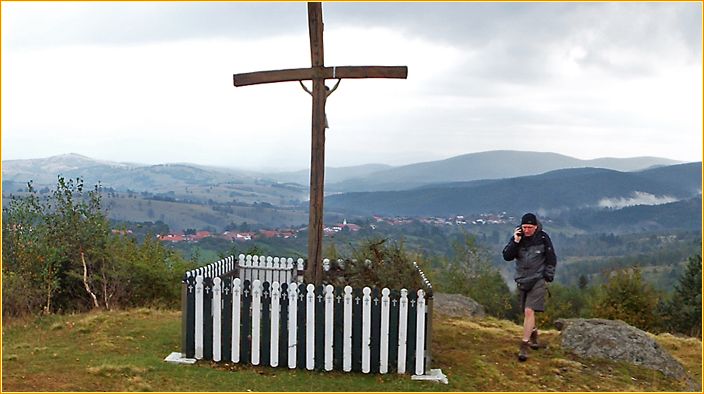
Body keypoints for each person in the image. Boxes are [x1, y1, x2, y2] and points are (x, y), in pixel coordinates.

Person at [502, 212, 557, 362]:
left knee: (528, 311)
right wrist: (515, 241)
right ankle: (533, 334)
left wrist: (548, 276)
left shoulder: (543, 238)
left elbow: (551, 257)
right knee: (526, 313)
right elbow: (507, 256)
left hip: (538, 279)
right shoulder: (517, 238)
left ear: (536, 226)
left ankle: (524, 345)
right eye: (524, 227)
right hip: (522, 280)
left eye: (529, 227)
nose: (526, 230)